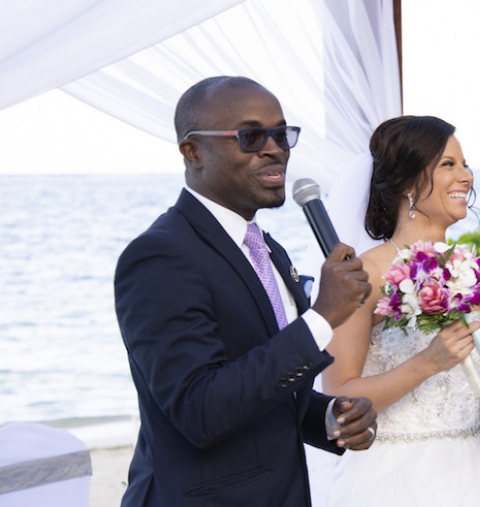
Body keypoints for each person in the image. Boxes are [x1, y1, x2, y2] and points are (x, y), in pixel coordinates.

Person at [114, 76, 377, 506]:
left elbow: (261, 385)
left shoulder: (264, 249)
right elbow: (199, 409)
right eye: (251, 136)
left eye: (281, 134)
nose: (274, 148)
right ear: (192, 151)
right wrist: (322, 318)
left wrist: (328, 417)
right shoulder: (160, 256)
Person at [319, 115, 480, 506]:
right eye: (448, 165)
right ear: (408, 182)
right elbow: (338, 396)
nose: (466, 177)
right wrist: (426, 363)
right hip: (391, 481)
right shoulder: (363, 275)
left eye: (465, 165)